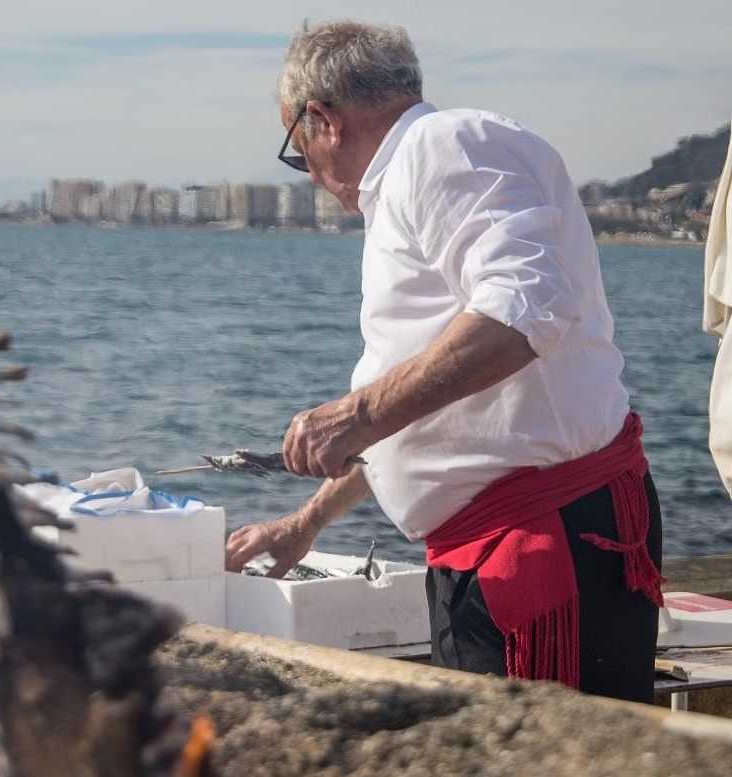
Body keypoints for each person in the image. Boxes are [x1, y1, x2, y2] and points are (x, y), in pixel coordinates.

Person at [224, 19, 663, 702]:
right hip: (497, 548)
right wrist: (305, 522)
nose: (307, 173)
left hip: (541, 548)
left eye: (296, 150)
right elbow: (431, 416)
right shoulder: (420, 171)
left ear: (322, 120)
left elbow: (524, 307)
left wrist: (356, 411)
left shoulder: (441, 147)